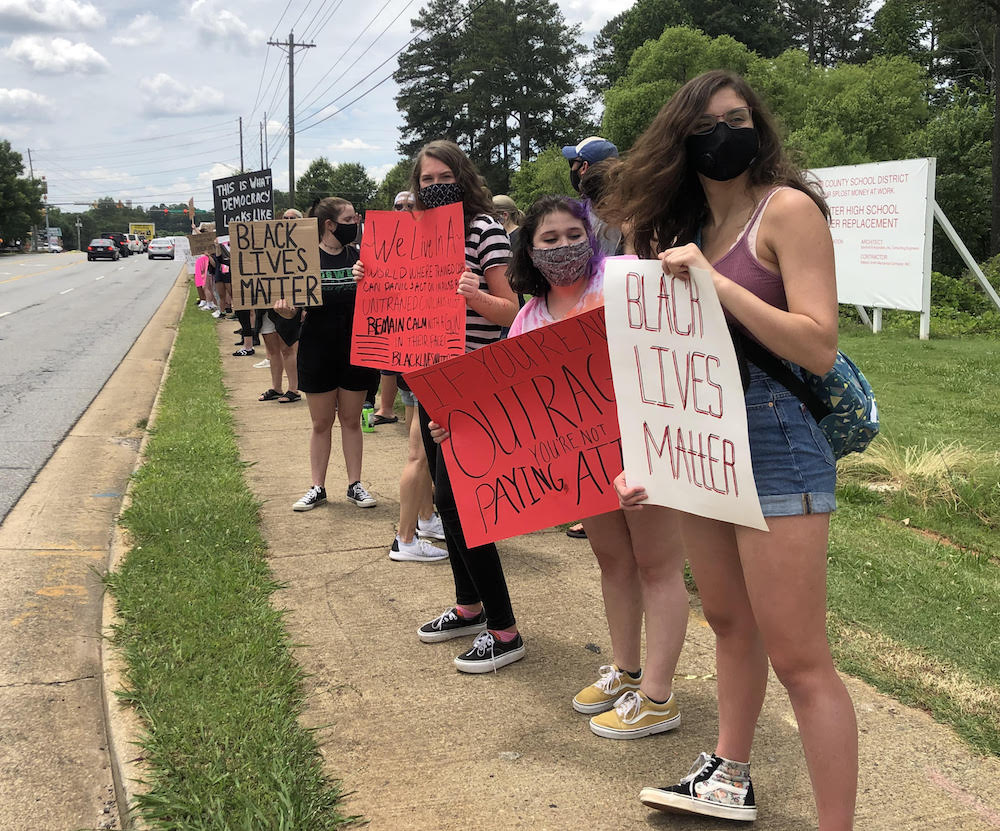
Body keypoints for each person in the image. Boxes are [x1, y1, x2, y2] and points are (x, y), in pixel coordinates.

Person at [604, 70, 855, 826]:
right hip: (699, 443)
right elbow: (660, 361)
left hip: (777, 437)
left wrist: (719, 284)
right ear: (681, 143)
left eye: (737, 118)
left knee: (801, 659)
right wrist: (643, 452)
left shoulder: (787, 211)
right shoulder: (674, 234)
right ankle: (729, 772)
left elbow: (817, 345)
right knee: (728, 621)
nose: (725, 135)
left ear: (758, 126)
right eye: (707, 126)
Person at [507, 195, 689, 739]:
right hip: (586, 460)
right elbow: (512, 397)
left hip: (645, 448)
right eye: (549, 239)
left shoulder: (625, 277)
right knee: (614, 562)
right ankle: (627, 669)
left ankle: (658, 695)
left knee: (658, 565)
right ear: (531, 250)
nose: (563, 246)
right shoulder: (530, 314)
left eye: (572, 234)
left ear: (590, 235)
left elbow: (673, 322)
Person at [353, 140, 522, 672]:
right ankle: (469, 605)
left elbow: (511, 311)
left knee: (466, 502)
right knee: (447, 502)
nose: (433, 186)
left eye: (442, 176)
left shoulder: (484, 231)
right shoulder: (412, 238)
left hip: (474, 384)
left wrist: (472, 294)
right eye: (424, 180)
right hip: (430, 381)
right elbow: (399, 305)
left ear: (462, 176)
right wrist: (371, 282)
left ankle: (505, 629)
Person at [275, 196, 378, 512]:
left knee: (351, 420)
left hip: (355, 349)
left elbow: (380, 302)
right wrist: (287, 310)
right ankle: (317, 487)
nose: (356, 224)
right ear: (329, 225)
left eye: (356, 219)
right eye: (349, 220)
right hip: (317, 349)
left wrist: (369, 281)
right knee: (321, 423)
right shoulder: (302, 260)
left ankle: (355, 485)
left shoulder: (362, 258)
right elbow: (292, 314)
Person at [258, 208, 304, 402]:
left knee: (287, 347)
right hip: (268, 302)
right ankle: (276, 387)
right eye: (284, 218)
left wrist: (304, 307)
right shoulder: (268, 242)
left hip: (290, 303)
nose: (287, 220)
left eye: (292, 218)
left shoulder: (305, 244)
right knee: (271, 347)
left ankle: (293, 389)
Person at [561, 136, 622, 255]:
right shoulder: (631, 209)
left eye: (573, 162)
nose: (572, 168)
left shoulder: (579, 214)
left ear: (584, 167)